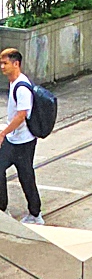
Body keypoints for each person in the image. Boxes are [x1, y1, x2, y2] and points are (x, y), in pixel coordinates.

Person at [0, 49, 41, 225]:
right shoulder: (13, 82)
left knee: (26, 176)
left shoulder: (22, 87)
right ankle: (2, 209)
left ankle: (35, 214)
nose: (2, 67)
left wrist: (3, 132)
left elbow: (21, 115)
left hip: (24, 142)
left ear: (16, 64)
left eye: (5, 63)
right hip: (13, 140)